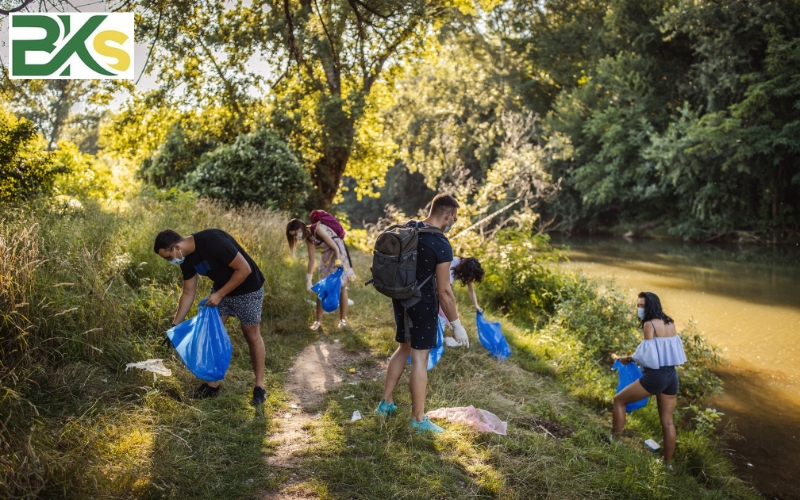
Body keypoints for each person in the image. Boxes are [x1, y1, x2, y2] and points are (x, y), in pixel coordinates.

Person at [374, 194, 470, 434]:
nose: (453, 221)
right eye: (454, 217)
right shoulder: (441, 243)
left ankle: (385, 404)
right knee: (419, 359)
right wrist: (456, 324)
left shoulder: (409, 227)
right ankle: (418, 420)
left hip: (401, 298)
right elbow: (444, 291)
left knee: (403, 348)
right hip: (423, 305)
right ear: (447, 215)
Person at [154, 228, 268, 406]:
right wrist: (175, 325)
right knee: (210, 334)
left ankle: (259, 387)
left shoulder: (213, 240)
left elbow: (244, 269)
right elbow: (188, 293)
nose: (170, 261)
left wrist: (220, 294)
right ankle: (211, 386)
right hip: (222, 290)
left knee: (251, 335)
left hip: (248, 288)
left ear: (176, 246)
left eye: (168, 257)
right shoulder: (186, 260)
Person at [612, 292, 687, 465]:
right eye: (638, 305)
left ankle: (614, 441)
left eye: (642, 306)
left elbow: (646, 356)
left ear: (651, 306)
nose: (639, 309)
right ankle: (667, 464)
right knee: (668, 422)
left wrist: (628, 358)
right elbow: (668, 353)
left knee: (618, 401)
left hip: (656, 377)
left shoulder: (649, 324)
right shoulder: (670, 323)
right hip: (671, 377)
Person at [286, 216, 355, 330]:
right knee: (322, 287)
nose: (295, 237)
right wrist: (309, 281)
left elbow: (335, 247)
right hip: (327, 257)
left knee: (341, 286)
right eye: (293, 236)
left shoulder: (317, 229)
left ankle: (342, 320)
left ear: (300, 228)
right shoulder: (308, 237)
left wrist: (338, 261)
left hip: (338, 253)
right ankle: (318, 322)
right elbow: (311, 260)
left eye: (294, 234)